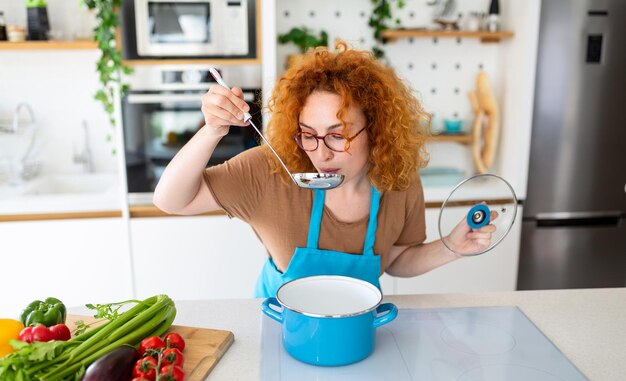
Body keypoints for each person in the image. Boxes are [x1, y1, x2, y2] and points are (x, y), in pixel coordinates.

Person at [153, 41, 497, 298]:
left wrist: (452, 247)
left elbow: (395, 259)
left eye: (337, 136)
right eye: (308, 135)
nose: (320, 152)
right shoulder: (271, 170)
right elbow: (171, 200)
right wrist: (213, 129)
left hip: (356, 330)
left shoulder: (399, 181)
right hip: (279, 331)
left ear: (375, 129)